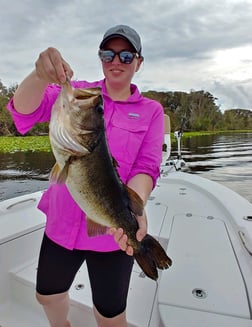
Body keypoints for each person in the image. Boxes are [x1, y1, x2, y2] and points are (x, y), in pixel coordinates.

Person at [7, 25, 164, 327]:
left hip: (111, 236)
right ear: (100, 57)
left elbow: (146, 167)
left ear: (138, 62)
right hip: (61, 226)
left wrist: (136, 209)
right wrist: (40, 74)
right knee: (47, 296)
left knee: (110, 315)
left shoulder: (151, 111)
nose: (116, 60)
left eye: (126, 55)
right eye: (108, 53)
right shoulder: (79, 93)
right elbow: (23, 113)